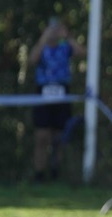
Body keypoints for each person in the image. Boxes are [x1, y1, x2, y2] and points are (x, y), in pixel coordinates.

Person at [27, 17, 85, 182]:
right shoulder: (42, 46)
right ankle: (39, 174)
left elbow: (83, 53)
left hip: (62, 93)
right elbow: (32, 60)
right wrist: (44, 38)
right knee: (42, 136)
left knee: (59, 136)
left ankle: (55, 172)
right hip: (43, 94)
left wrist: (67, 36)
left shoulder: (65, 46)